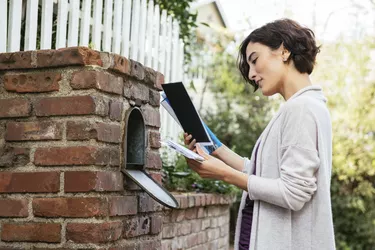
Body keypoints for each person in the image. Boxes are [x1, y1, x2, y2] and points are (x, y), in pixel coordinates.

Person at [183, 18, 336, 250]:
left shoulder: (301, 109)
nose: (252, 74)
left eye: (254, 60)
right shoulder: (301, 107)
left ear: (284, 51)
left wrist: (223, 174)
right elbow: (260, 173)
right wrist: (216, 148)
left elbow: (293, 193)